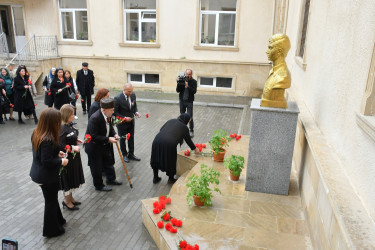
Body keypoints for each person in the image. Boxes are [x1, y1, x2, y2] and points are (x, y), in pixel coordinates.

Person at [29, 108, 68, 238]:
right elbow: (47, 161)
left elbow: (41, 154)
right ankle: (51, 230)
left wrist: (57, 153)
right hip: (46, 176)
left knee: (52, 199)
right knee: (50, 202)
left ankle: (59, 220)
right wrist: (61, 161)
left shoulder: (37, 132)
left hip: (39, 173)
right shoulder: (48, 139)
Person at [85, 98, 122, 191]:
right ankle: (98, 185)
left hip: (104, 144)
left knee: (109, 162)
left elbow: (110, 128)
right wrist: (108, 139)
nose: (113, 112)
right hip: (94, 147)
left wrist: (114, 134)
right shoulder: (94, 118)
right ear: (104, 110)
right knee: (97, 168)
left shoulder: (107, 115)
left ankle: (111, 179)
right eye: (112, 110)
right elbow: (93, 136)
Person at [151, 113, 199, 184]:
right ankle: (171, 179)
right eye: (188, 122)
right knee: (171, 161)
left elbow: (161, 129)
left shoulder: (171, 120)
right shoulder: (184, 127)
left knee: (156, 158)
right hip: (169, 144)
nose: (188, 123)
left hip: (156, 141)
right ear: (186, 120)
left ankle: (155, 178)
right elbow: (188, 141)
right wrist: (195, 149)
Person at [59, 104, 85, 210]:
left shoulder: (69, 125)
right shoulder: (62, 128)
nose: (74, 116)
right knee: (68, 178)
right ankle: (66, 201)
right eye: (72, 114)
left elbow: (71, 137)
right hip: (67, 158)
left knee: (73, 177)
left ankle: (70, 198)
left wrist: (76, 141)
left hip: (74, 157)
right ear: (66, 115)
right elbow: (60, 145)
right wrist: (72, 147)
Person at [261, 33, 291, 109]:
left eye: (270, 48)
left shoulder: (283, 77)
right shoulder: (273, 70)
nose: (266, 51)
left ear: (279, 52)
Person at [114, 83, 141, 163]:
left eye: (131, 91)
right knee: (123, 139)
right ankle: (124, 155)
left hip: (131, 122)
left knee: (131, 138)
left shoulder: (133, 95)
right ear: (124, 90)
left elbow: (134, 105)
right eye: (129, 91)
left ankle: (131, 154)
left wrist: (136, 112)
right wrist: (124, 118)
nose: (130, 93)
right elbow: (114, 113)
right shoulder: (117, 98)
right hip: (122, 123)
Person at [176, 69, 197, 138]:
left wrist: (188, 86)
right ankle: (181, 130)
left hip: (189, 101)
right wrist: (178, 82)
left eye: (189, 74)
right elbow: (177, 90)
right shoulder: (182, 80)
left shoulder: (194, 82)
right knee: (182, 116)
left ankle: (191, 130)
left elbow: (194, 91)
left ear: (191, 75)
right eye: (186, 74)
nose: (187, 75)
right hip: (182, 101)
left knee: (190, 116)